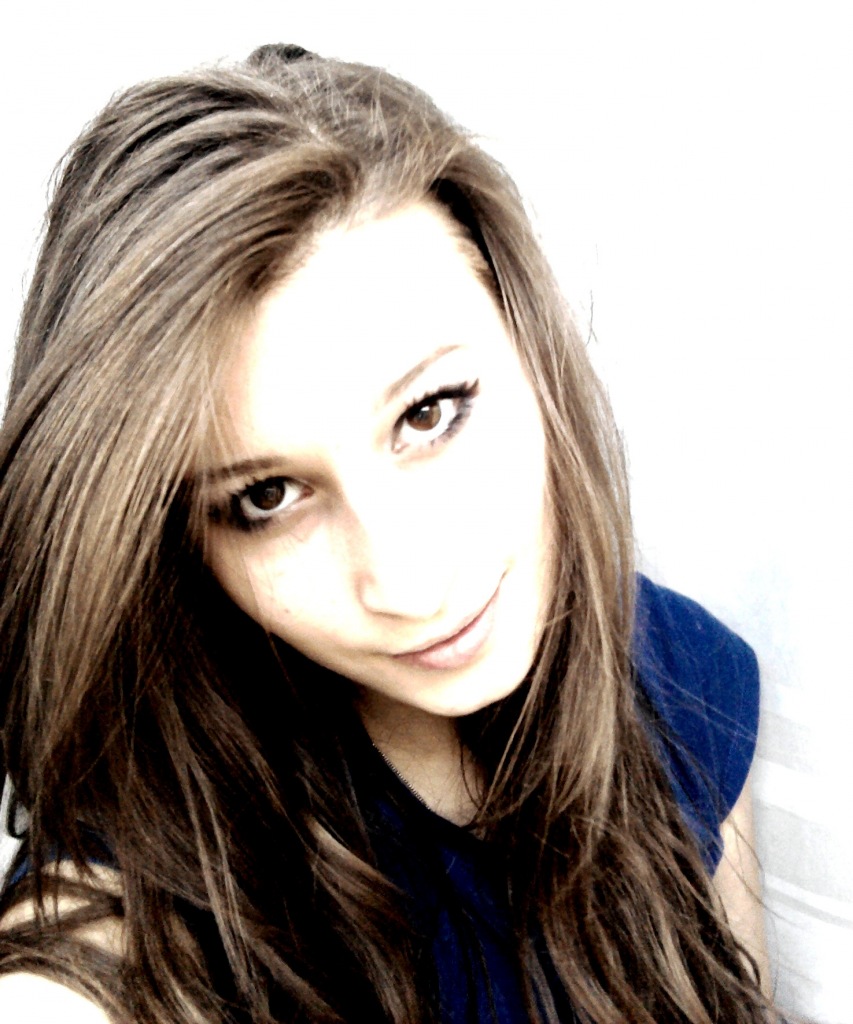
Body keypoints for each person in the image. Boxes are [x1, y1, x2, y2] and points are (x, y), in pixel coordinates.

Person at [0, 43, 775, 1023]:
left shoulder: (682, 673)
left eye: (430, 412)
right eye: (265, 496)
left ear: (529, 344)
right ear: (182, 543)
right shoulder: (149, 888)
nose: (408, 582)